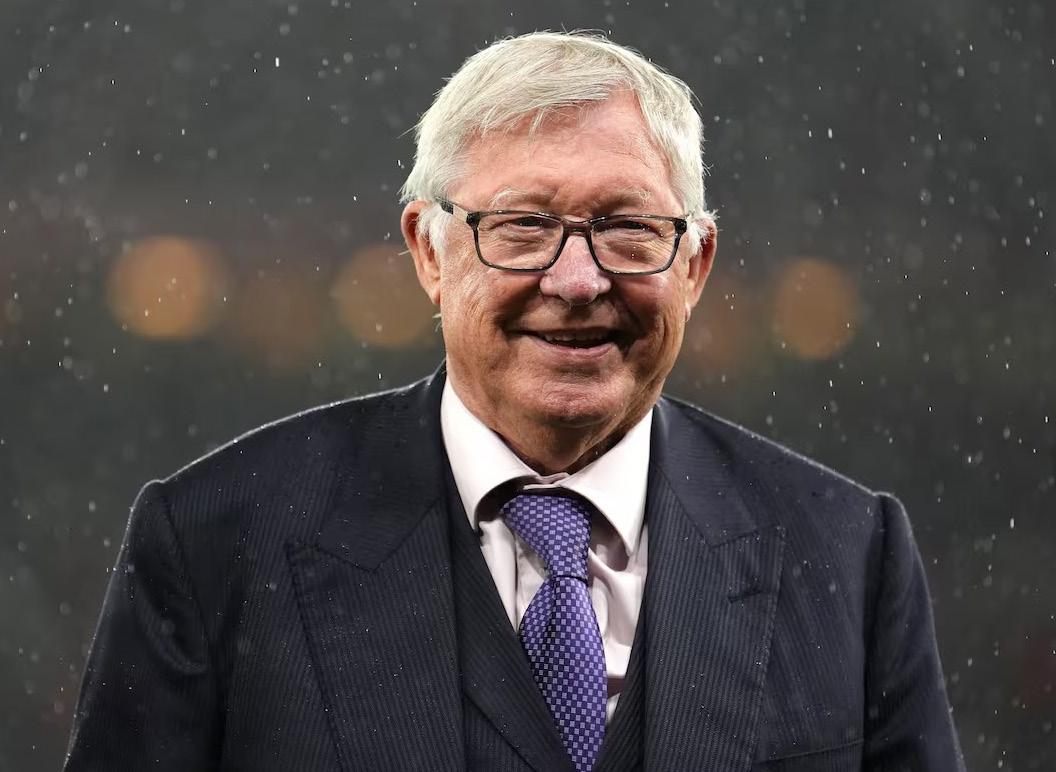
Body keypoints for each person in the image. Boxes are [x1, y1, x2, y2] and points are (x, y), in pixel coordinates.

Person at [64, 32, 965, 771]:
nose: (577, 281)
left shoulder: (850, 555)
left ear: (694, 265)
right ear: (428, 251)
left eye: (628, 228)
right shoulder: (214, 542)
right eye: (523, 226)